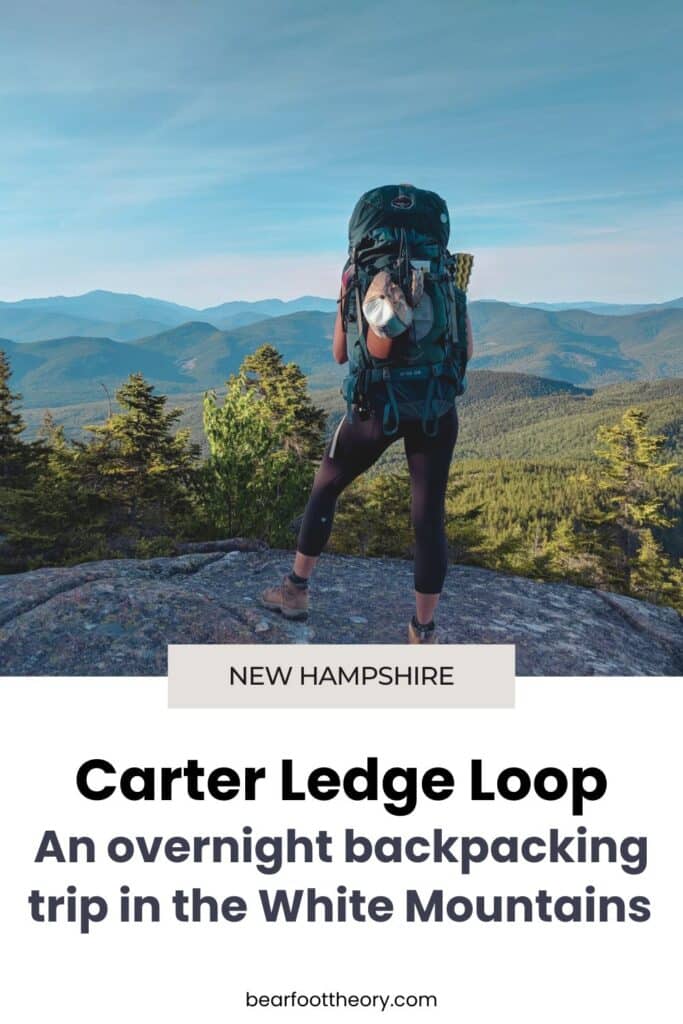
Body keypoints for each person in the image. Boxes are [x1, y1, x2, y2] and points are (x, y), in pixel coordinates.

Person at [261, 185, 474, 644]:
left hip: (375, 406)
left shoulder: (355, 274)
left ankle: (296, 590)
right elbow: (466, 350)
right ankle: (423, 631)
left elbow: (341, 354)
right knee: (428, 517)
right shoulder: (446, 272)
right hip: (436, 404)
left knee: (327, 484)